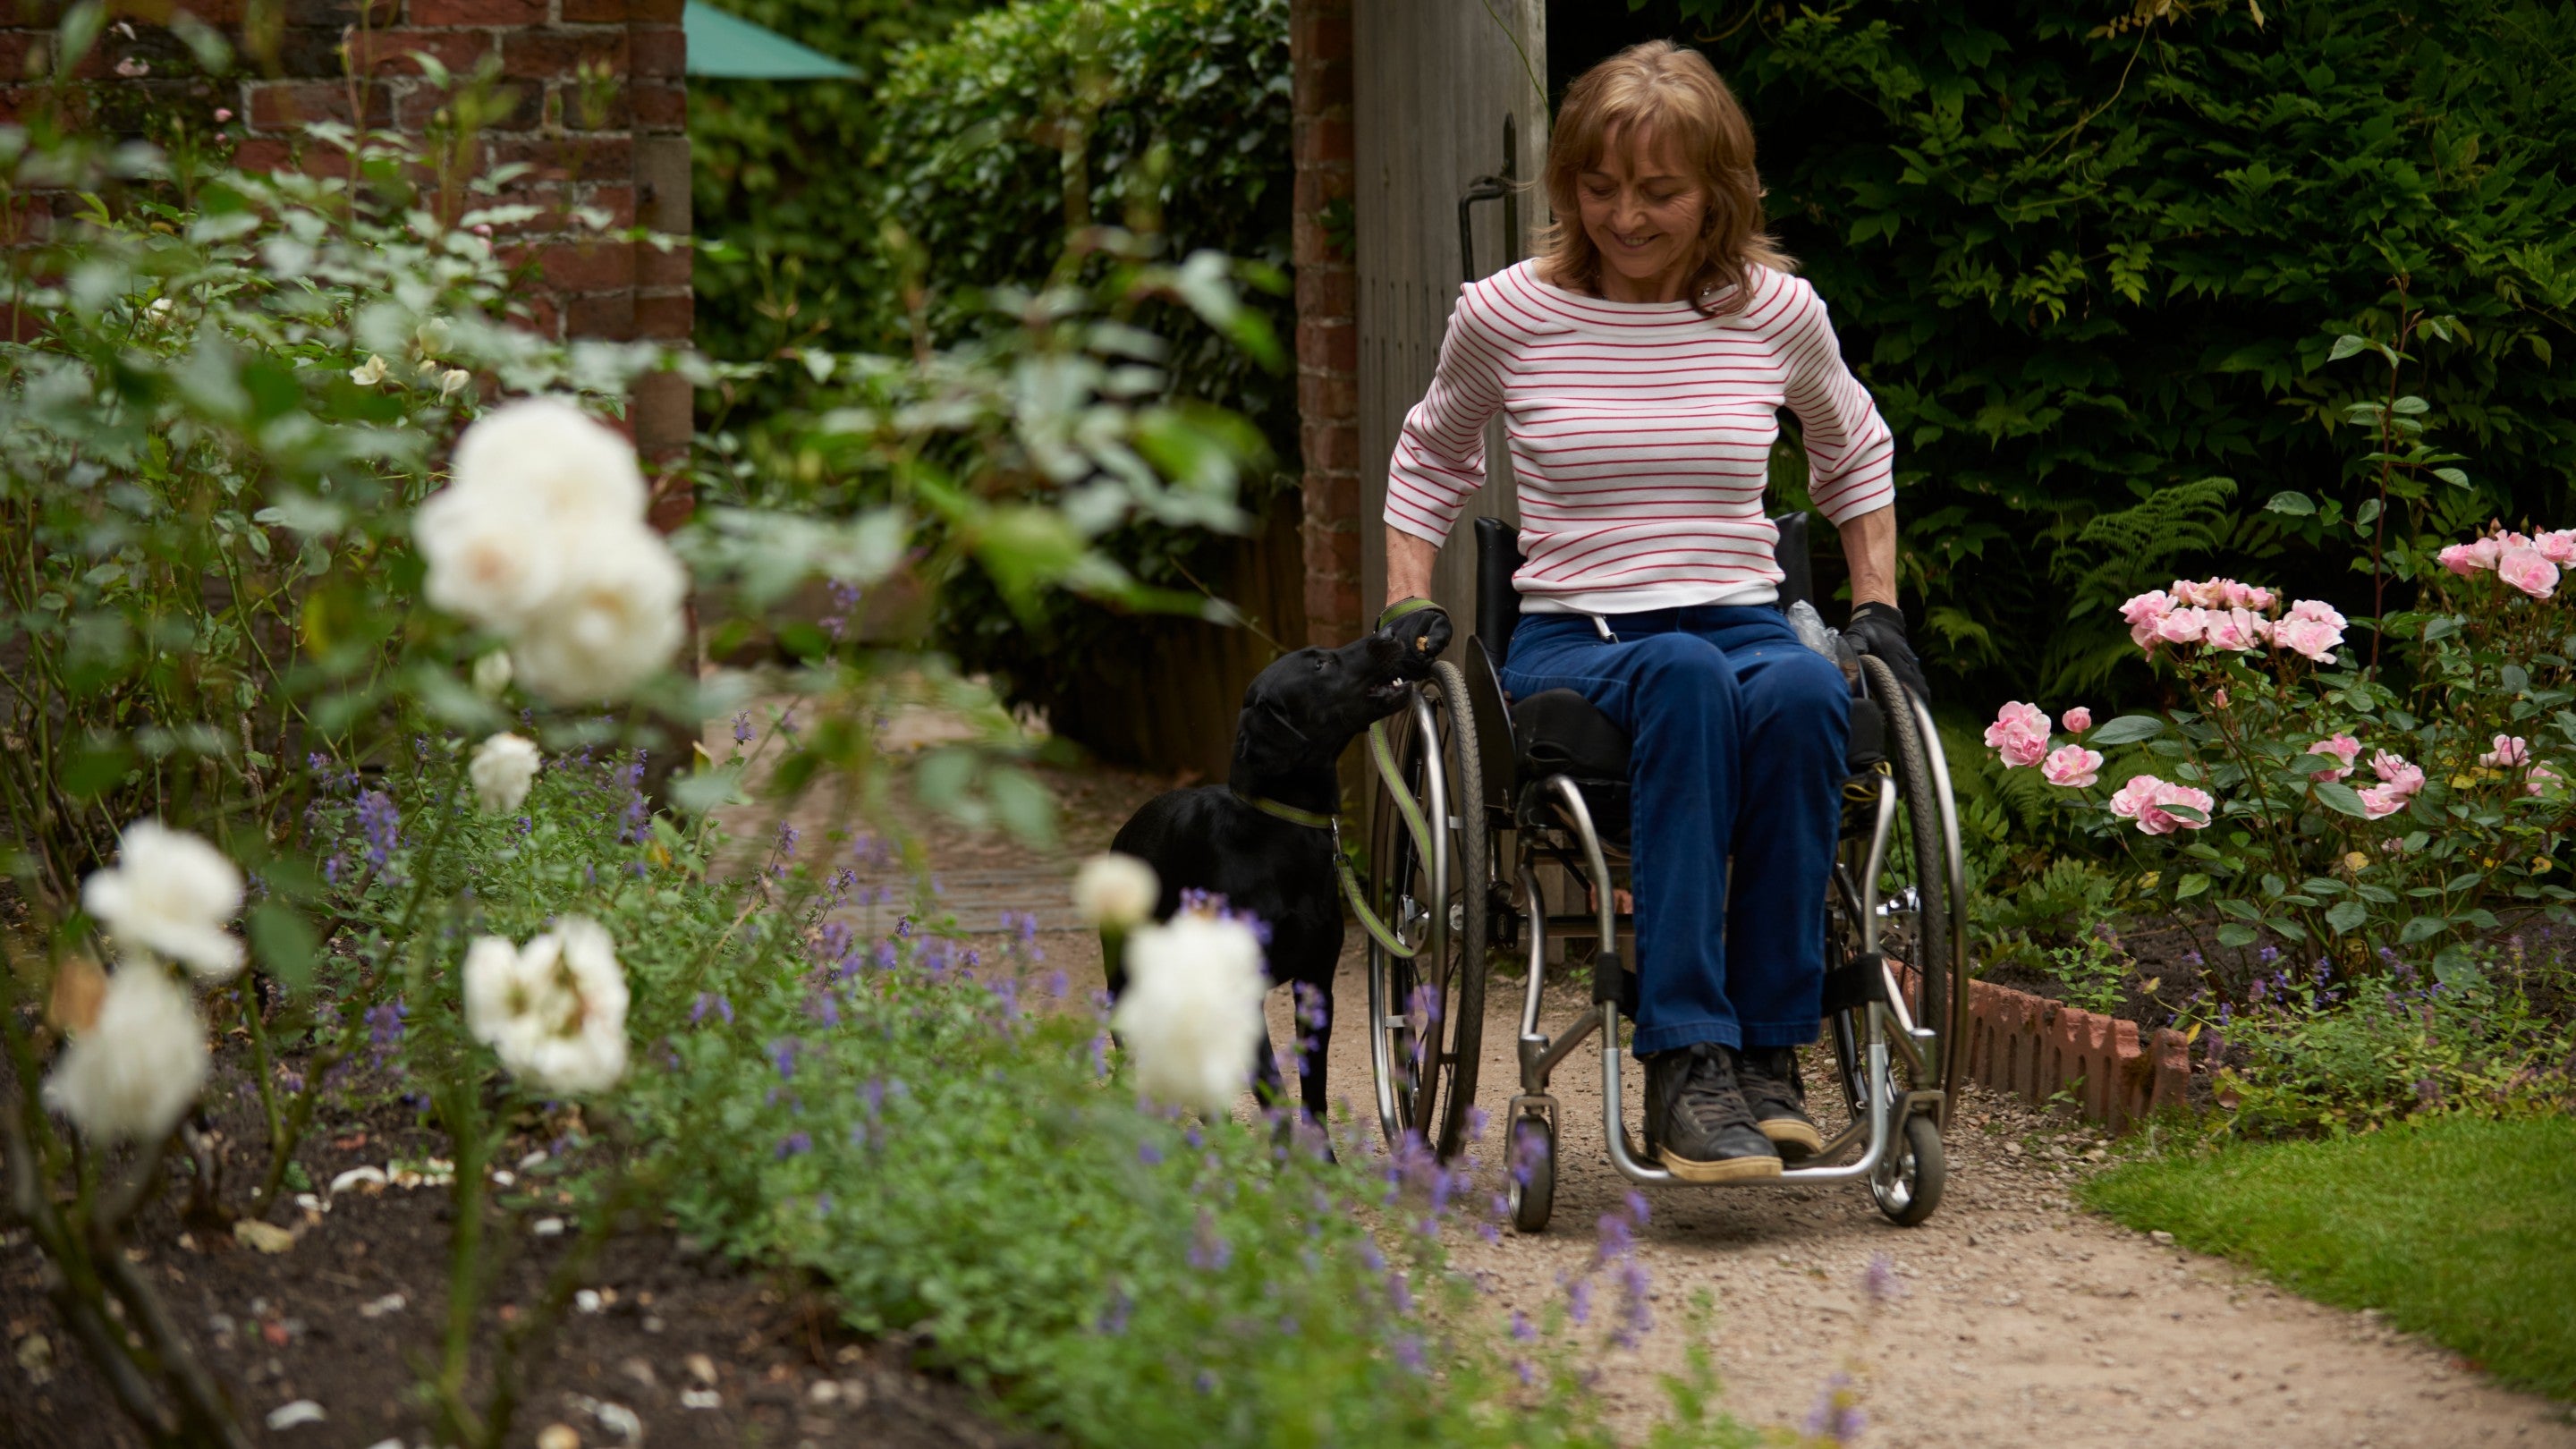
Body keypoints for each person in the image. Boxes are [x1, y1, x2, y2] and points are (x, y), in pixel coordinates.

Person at [1376, 40, 1925, 1182]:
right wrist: (1406, 606)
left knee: (1806, 685)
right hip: (1579, 641)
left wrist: (1874, 608)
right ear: (1568, 184)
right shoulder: (1509, 313)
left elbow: (1854, 448)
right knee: (1680, 674)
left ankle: (1769, 1057)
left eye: (1661, 191)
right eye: (1600, 186)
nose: (1626, 216)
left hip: (1742, 616)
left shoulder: (1778, 313)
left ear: (1721, 192)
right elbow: (1429, 458)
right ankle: (1683, 1058)